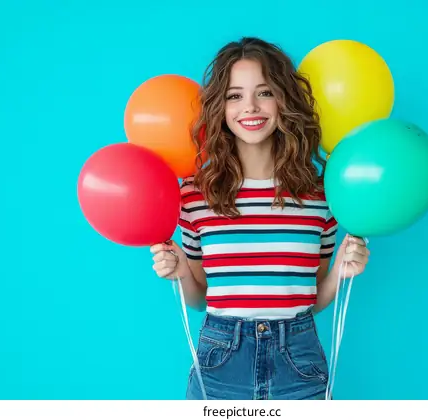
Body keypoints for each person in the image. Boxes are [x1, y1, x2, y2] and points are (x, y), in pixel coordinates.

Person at [150, 37, 370, 400]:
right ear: (219, 108)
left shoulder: (322, 196)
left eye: (264, 92)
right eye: (235, 96)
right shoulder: (194, 195)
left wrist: (339, 274)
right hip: (220, 361)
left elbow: (311, 298)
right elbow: (200, 297)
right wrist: (179, 272)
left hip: (299, 361)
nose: (249, 107)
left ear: (284, 100)